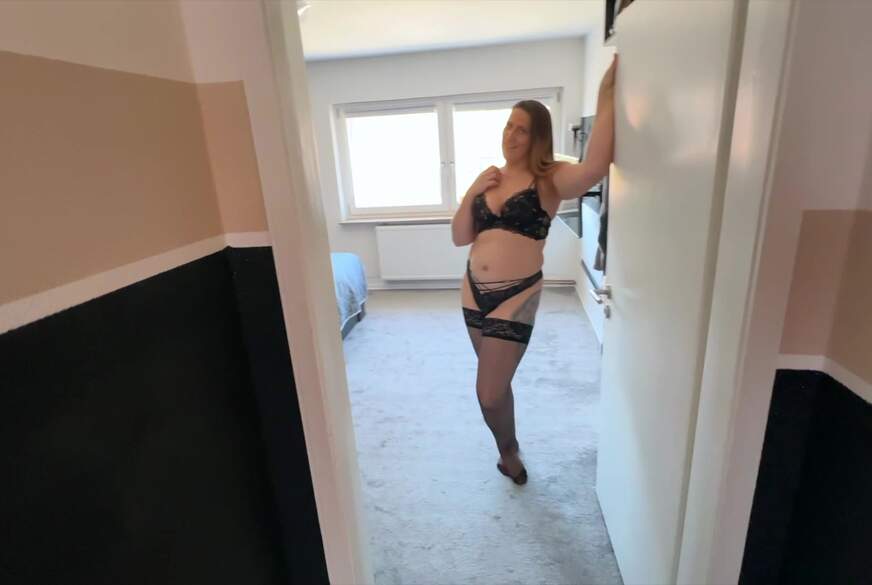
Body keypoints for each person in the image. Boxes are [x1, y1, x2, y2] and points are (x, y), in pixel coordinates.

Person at [450, 55, 617, 485]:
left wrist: (606, 96)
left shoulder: (550, 178)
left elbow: (596, 168)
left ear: (537, 136)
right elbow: (460, 235)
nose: (511, 135)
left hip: (516, 294)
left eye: (521, 129)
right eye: (508, 125)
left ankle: (509, 449)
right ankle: (507, 451)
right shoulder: (490, 178)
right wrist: (472, 190)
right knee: (495, 382)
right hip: (472, 292)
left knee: (488, 393)